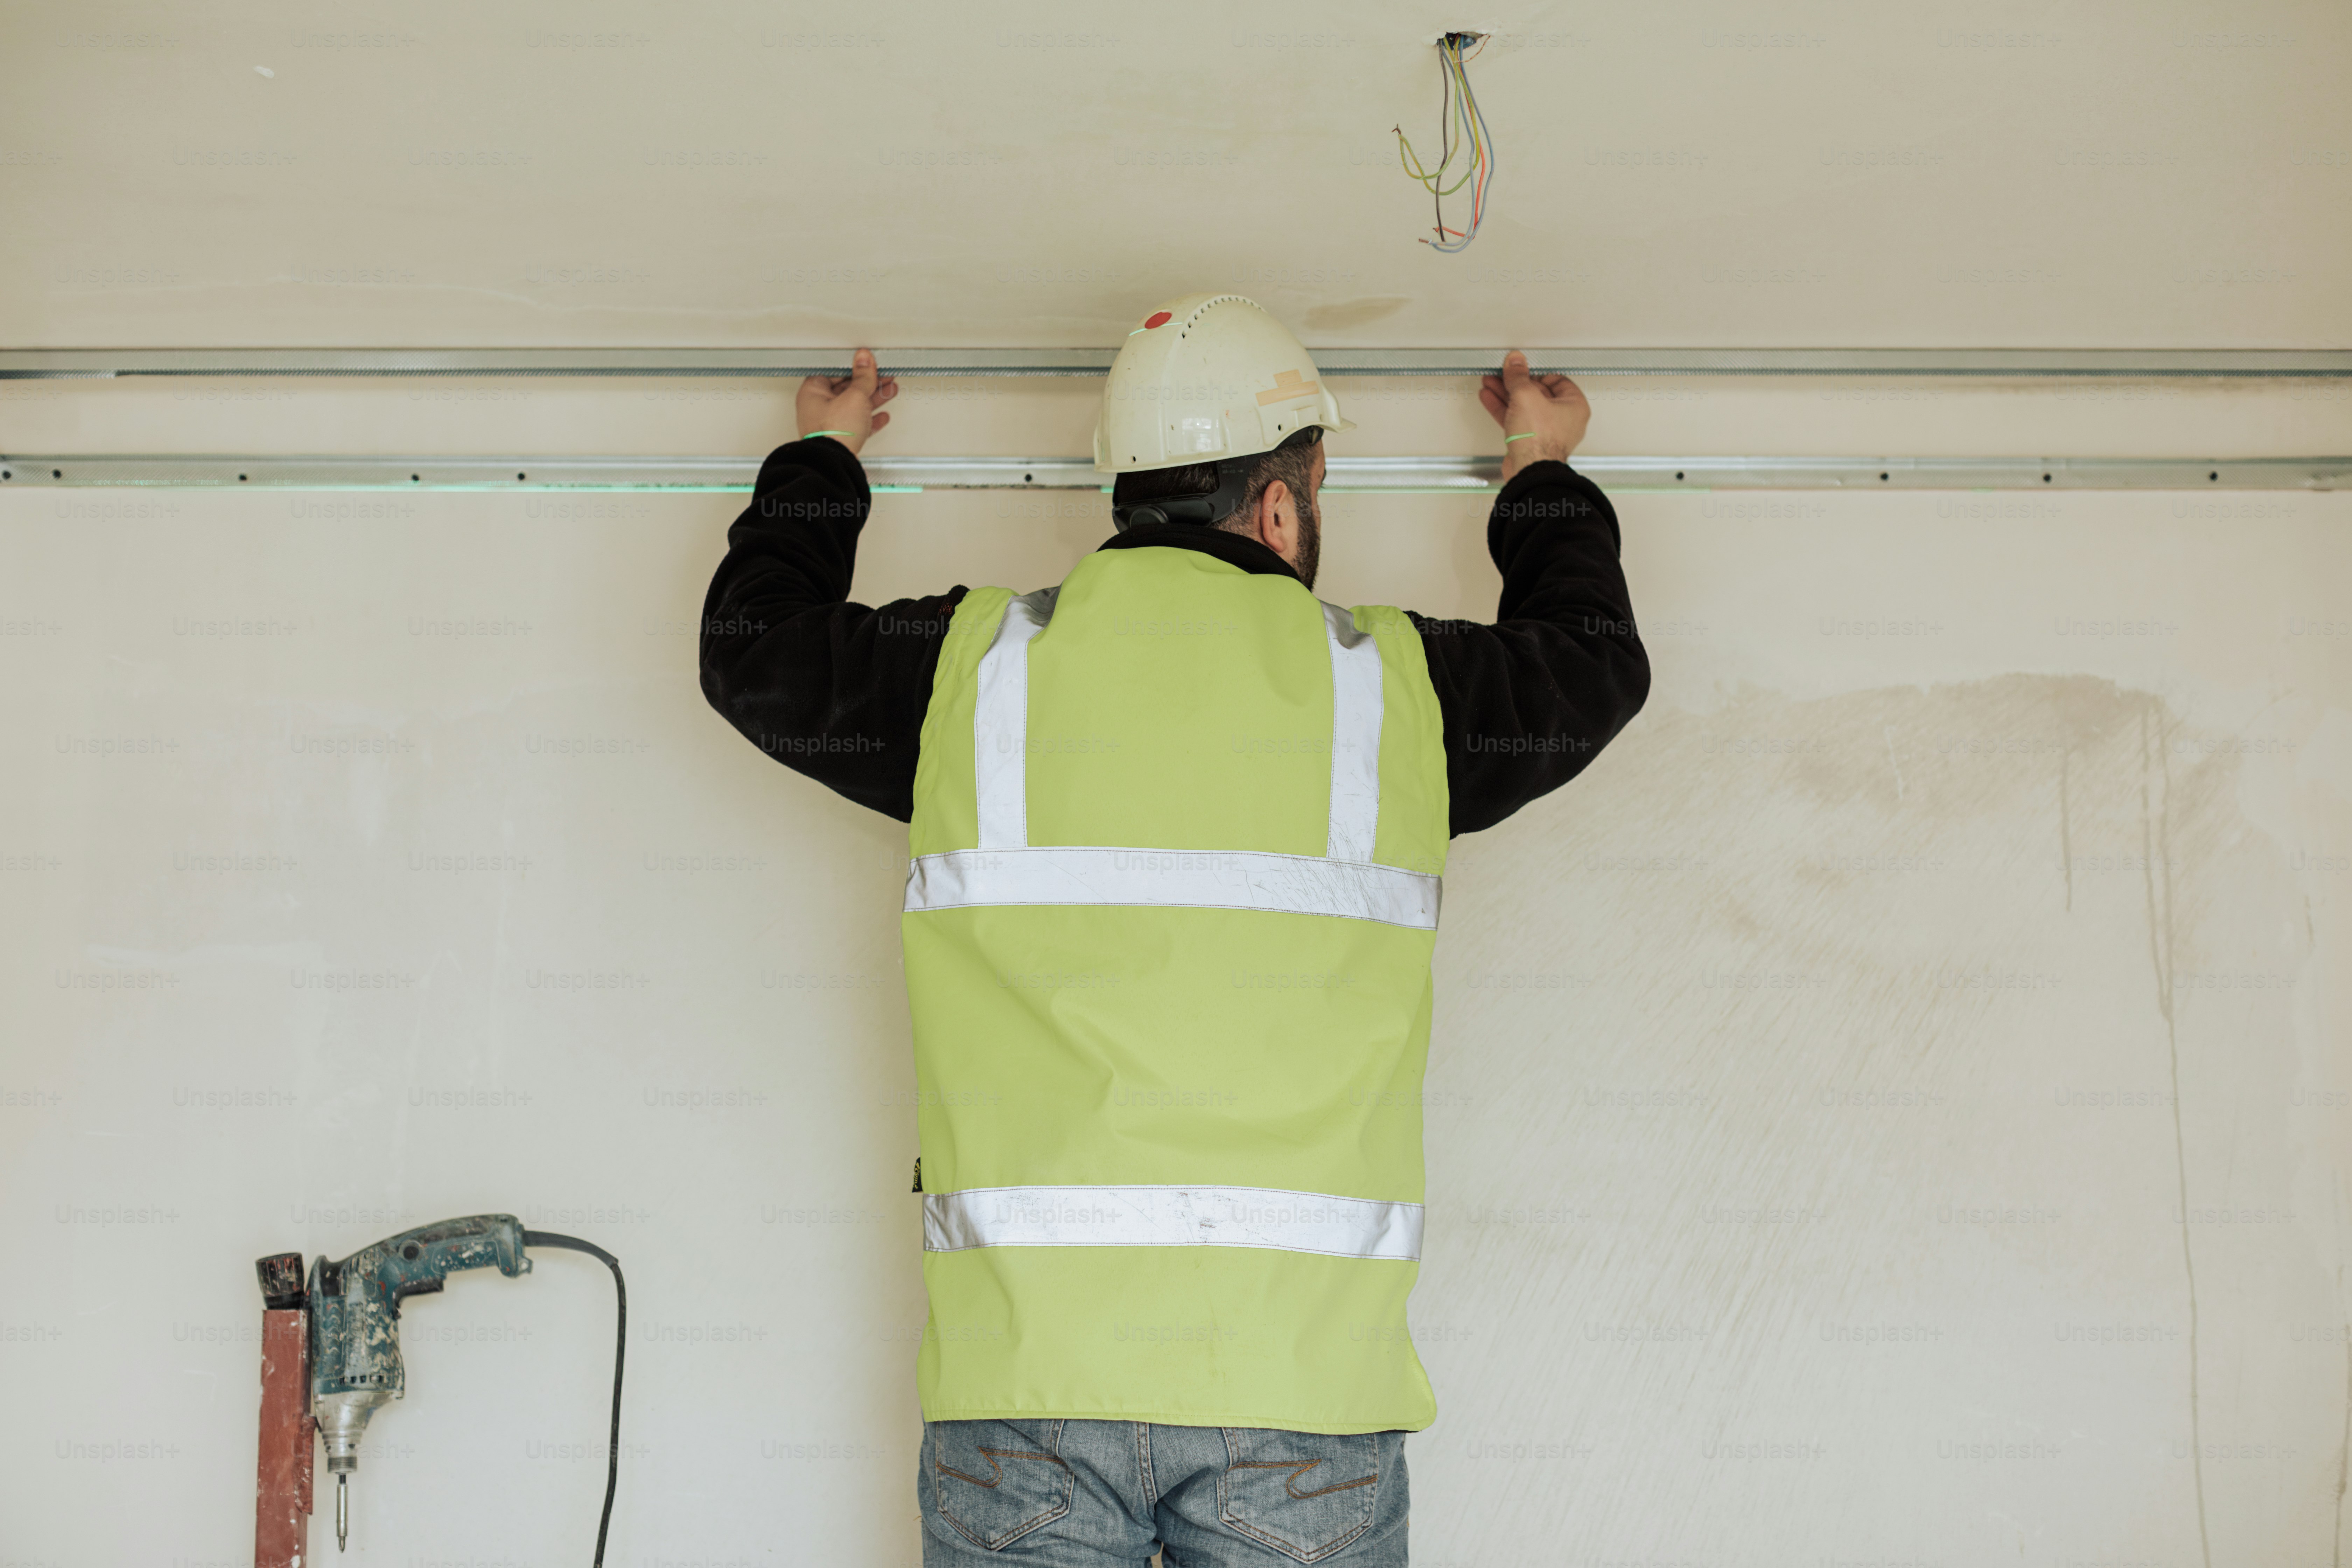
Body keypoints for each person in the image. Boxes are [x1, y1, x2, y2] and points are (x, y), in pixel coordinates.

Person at [700, 293, 1648, 1567]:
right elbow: (1590, 662)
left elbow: (752, 648)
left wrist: (823, 464)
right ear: (1278, 505)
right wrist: (1541, 471)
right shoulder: (1394, 692)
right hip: (1303, 1403)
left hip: (1026, 1395)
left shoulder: (972, 675)